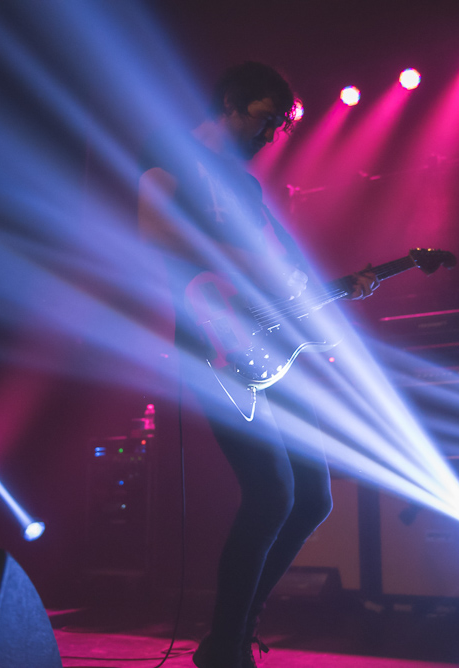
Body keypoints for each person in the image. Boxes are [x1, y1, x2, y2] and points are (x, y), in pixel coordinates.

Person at [138, 62, 379, 668]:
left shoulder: (245, 189)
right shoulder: (168, 155)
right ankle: (225, 644)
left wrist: (332, 289)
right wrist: (249, 256)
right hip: (212, 346)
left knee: (313, 499)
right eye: (265, 118)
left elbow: (279, 275)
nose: (270, 134)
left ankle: (231, 635)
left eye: (277, 125)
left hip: (270, 347)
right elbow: (155, 230)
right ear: (230, 103)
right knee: (271, 492)